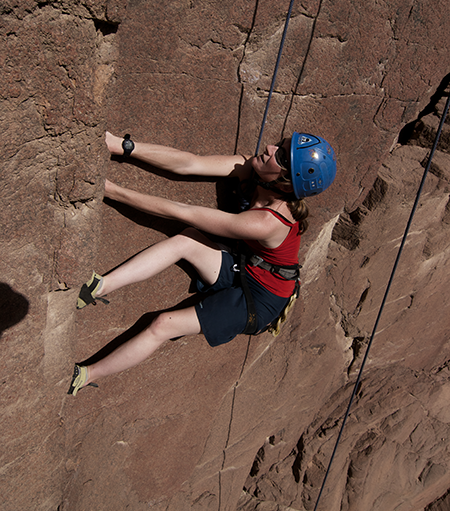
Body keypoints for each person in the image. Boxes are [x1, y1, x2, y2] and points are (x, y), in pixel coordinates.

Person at [67, 131, 336, 395]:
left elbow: (183, 212)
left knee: (163, 325)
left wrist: (110, 190)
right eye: (280, 144)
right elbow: (189, 163)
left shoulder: (268, 223)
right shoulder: (255, 171)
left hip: (262, 299)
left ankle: (85, 376)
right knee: (187, 241)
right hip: (249, 265)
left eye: (280, 155)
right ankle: (98, 287)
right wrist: (122, 146)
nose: (269, 147)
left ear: (286, 182)